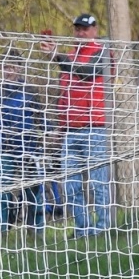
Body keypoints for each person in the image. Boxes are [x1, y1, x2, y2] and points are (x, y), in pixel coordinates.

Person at [41, 14, 113, 236]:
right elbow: (64, 98)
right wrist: (58, 128)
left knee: (97, 183)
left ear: (94, 30)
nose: (81, 33)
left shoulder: (103, 52)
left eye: (85, 29)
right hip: (70, 133)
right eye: (77, 29)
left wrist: (56, 56)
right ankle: (83, 228)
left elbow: (86, 74)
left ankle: (103, 229)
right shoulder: (71, 57)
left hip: (94, 129)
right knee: (71, 186)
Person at [0, 50, 45, 230]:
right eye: (5, 67)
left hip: (27, 149)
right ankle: (0, 230)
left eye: (12, 67)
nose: (9, 71)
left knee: (33, 191)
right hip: (2, 150)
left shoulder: (30, 91)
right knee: (2, 191)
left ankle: (36, 230)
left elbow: (40, 119)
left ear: (20, 68)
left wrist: (52, 132)